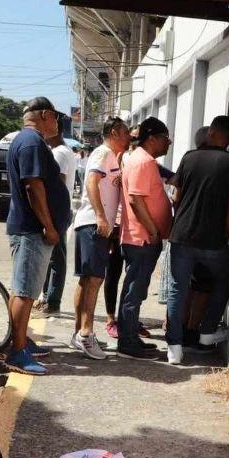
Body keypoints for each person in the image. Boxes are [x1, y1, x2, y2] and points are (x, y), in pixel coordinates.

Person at [163, 115, 229, 364]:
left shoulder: (189, 157)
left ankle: (174, 346)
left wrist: (178, 222)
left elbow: (177, 195)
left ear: (211, 133)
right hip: (212, 240)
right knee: (224, 279)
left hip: (183, 235)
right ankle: (207, 332)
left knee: (178, 287)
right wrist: (225, 236)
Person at [4, 97, 71, 375]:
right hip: (33, 230)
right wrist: (49, 225)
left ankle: (19, 341)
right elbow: (33, 187)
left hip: (28, 228)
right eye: (56, 117)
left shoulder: (28, 141)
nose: (58, 123)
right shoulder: (31, 142)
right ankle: (17, 352)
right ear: (44, 114)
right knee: (25, 292)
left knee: (22, 289)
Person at [69, 116, 130, 359]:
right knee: (94, 279)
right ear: (115, 132)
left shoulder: (113, 156)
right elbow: (92, 183)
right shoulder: (103, 153)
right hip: (93, 224)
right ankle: (86, 333)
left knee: (87, 280)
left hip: (95, 225)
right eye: (126, 133)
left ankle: (79, 334)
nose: (128, 138)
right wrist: (101, 217)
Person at [117, 117, 173, 359]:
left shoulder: (143, 160)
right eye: (165, 138)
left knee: (136, 290)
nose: (168, 143)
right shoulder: (142, 162)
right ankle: (127, 342)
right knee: (134, 290)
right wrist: (152, 231)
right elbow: (135, 200)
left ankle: (130, 337)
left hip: (142, 238)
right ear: (152, 138)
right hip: (141, 239)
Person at [34, 130, 76, 317]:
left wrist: (47, 216)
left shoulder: (59, 153)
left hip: (56, 212)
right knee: (53, 258)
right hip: (60, 211)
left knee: (56, 259)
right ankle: (47, 298)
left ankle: (52, 302)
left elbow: (56, 184)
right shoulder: (63, 150)